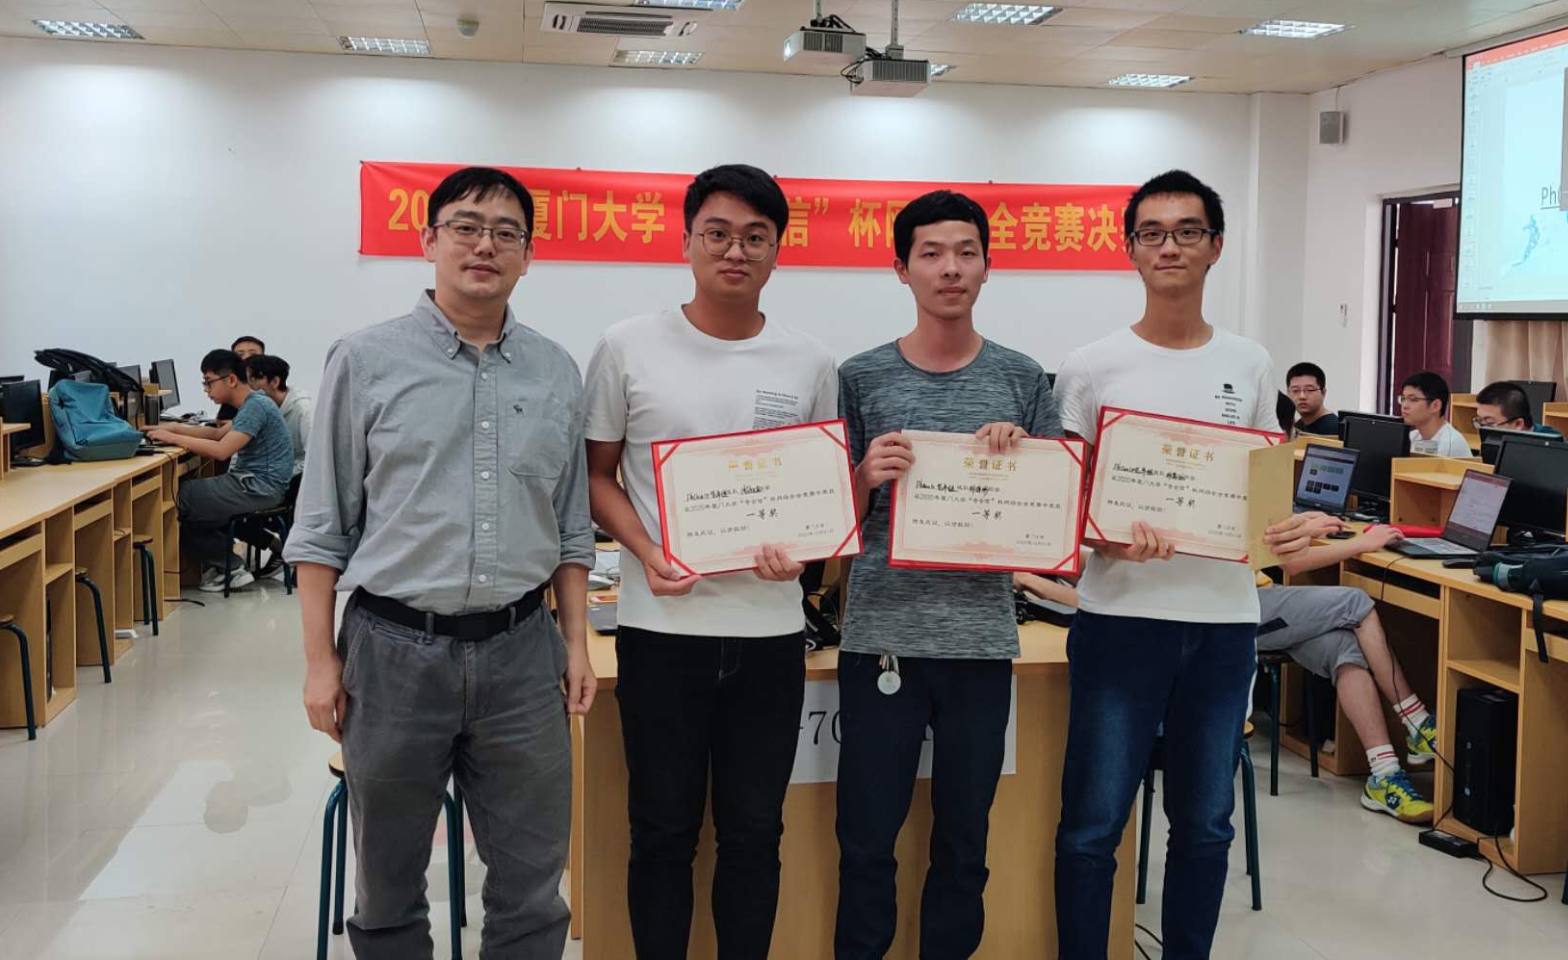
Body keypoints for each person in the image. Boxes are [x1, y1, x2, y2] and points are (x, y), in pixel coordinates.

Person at [284, 166, 596, 959]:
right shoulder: (364, 359)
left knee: (532, 888)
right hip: (392, 653)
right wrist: (320, 663)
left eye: (506, 232)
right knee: (389, 888)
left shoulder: (556, 369)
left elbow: (570, 528)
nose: (485, 244)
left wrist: (576, 644)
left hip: (522, 653)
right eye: (465, 226)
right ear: (428, 240)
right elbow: (319, 529)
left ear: (529, 254)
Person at [583, 163, 837, 960]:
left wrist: (803, 553)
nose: (736, 251)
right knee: (661, 831)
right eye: (718, 233)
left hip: (770, 637)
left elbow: (820, 495)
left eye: (755, 237)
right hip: (662, 630)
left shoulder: (809, 361)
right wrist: (648, 550)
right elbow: (596, 476)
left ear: (777, 249)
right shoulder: (627, 346)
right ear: (687, 239)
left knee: (755, 833)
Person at [1052, 170, 1307, 960]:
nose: (1170, 246)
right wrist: (1104, 536)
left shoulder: (1251, 362)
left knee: (1204, 826)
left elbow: (1263, 495)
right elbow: (1064, 499)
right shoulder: (1091, 365)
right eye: (1153, 233)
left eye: (1188, 231)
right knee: (1093, 825)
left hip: (1223, 624)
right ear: (1129, 249)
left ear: (1215, 247)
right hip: (1120, 620)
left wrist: (1285, 527)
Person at [834, 189, 1060, 960]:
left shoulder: (1022, 379)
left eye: (966, 252)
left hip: (980, 645)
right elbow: (827, 524)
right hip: (882, 641)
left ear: (988, 266)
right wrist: (863, 474)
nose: (950, 268)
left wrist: (1023, 461)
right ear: (901, 269)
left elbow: (1051, 521)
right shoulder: (860, 376)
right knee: (866, 841)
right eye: (930, 253)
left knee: (965, 844)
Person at [1020, 515, 1442, 827]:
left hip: (1248, 599)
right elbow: (1096, 593)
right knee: (1355, 604)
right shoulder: (1097, 549)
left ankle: (1384, 773)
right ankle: (1417, 721)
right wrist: (1360, 543)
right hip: (1234, 613)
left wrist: (1303, 524)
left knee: (1343, 647)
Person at [146, 348, 293, 592]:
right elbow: (216, 434)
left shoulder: (255, 407)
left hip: (257, 487)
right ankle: (232, 563)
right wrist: (173, 429)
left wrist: (173, 439)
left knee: (177, 498)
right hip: (259, 485)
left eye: (209, 382)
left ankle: (231, 569)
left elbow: (221, 450)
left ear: (231, 380)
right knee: (192, 506)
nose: (206, 389)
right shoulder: (255, 402)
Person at [245, 354, 314, 483]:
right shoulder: (258, 407)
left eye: (254, 380)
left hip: (297, 478)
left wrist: (278, 477)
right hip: (267, 475)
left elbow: (313, 458)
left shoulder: (304, 410)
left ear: (275, 382)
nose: (250, 387)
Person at [1399, 371, 1471, 457]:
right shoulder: (1412, 437)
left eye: (1413, 399)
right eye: (1403, 399)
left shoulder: (1450, 443)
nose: (1404, 406)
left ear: (1436, 406)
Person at [1474, 380, 1564, 437]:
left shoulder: (1553, 445)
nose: (1481, 431)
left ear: (1518, 424)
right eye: (1479, 421)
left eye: (1489, 424)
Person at [1286, 361, 1339, 437]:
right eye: (1295, 390)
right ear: (1288, 394)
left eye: (1309, 390)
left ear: (1323, 393)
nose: (1302, 396)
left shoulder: (1336, 429)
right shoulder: (1297, 427)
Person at [218, 337, 266, 421]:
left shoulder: (270, 386)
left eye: (253, 355)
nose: (246, 358)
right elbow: (222, 421)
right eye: (240, 355)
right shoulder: (231, 388)